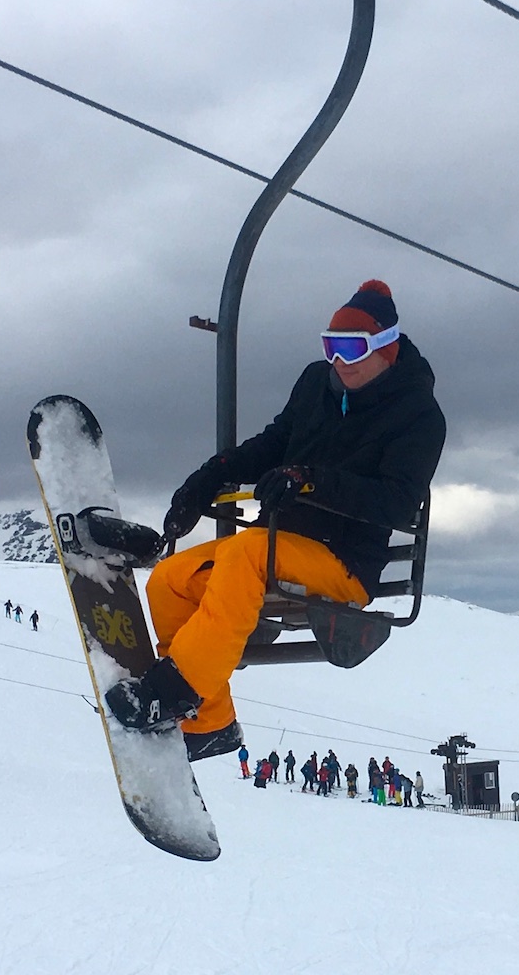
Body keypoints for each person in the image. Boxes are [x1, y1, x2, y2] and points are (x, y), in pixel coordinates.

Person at [101, 280, 446, 761]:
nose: (339, 361)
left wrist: (312, 481)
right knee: (170, 579)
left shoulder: (419, 416)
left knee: (245, 555)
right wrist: (208, 477)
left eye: (352, 349)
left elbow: (395, 501)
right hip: (279, 543)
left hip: (344, 563)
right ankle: (210, 723)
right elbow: (272, 444)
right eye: (331, 347)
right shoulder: (315, 385)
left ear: (386, 347)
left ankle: (173, 693)